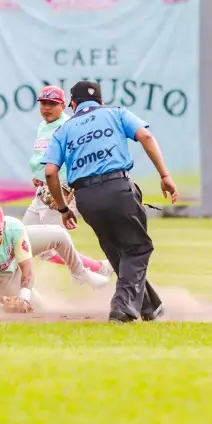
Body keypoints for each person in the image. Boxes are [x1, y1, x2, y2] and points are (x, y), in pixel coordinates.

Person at [41, 80, 179, 322]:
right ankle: (122, 307)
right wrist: (164, 175)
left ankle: (149, 306)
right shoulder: (116, 113)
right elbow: (145, 136)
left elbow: (50, 172)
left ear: (73, 104)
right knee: (138, 248)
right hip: (117, 189)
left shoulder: (62, 130)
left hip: (86, 198)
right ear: (101, 101)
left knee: (118, 252)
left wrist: (63, 207)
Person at [23, 85, 113, 280]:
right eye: (43, 103)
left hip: (59, 189)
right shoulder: (42, 125)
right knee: (23, 241)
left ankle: (95, 269)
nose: (46, 107)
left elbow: (77, 157)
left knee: (49, 246)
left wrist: (68, 188)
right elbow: (43, 156)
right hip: (41, 191)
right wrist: (38, 173)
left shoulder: (68, 125)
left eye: (52, 104)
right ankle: (96, 268)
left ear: (63, 105)